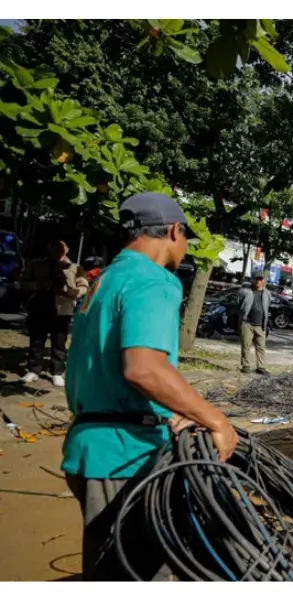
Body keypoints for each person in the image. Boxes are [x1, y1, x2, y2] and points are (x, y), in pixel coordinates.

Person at [62, 192, 238, 581]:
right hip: (125, 456)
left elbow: (108, 367)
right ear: (175, 231)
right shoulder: (154, 280)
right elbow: (144, 369)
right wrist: (216, 421)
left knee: (107, 573)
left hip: (90, 448)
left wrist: (170, 408)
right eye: (186, 237)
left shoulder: (107, 279)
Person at [21, 240, 88, 387]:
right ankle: (33, 370)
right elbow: (23, 282)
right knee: (36, 341)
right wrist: (38, 285)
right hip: (39, 307)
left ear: (67, 249)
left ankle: (57, 372)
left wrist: (71, 292)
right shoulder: (36, 265)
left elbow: (83, 286)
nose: (57, 249)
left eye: (62, 246)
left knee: (59, 342)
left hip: (62, 309)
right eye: (54, 246)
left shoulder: (75, 267)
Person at [239, 271, 270, 375]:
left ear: (264, 281)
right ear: (252, 279)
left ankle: (261, 367)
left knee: (261, 347)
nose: (258, 281)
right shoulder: (245, 291)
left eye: (260, 279)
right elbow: (238, 303)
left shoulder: (267, 293)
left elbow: (267, 307)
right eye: (256, 279)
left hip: (260, 325)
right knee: (246, 345)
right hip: (247, 323)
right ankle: (245, 366)